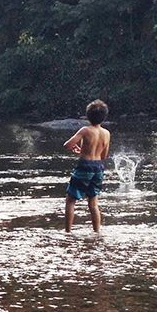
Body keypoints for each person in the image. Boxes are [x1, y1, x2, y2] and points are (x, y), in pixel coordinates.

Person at [63, 99, 111, 233]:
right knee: (93, 203)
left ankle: (68, 232)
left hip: (84, 165)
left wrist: (80, 150)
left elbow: (67, 145)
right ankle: (97, 232)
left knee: (71, 200)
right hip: (98, 167)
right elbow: (104, 155)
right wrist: (86, 151)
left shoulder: (85, 130)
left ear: (88, 116)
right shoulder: (106, 133)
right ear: (104, 117)